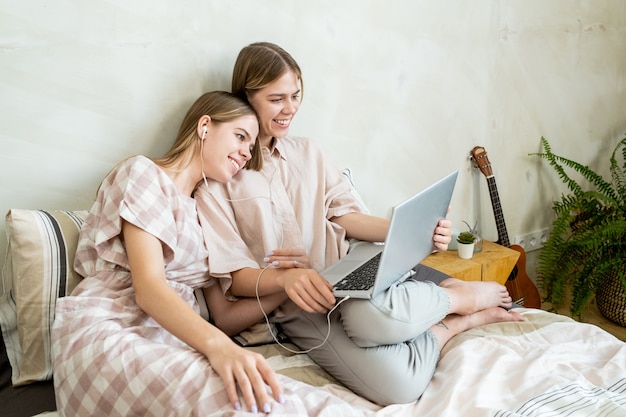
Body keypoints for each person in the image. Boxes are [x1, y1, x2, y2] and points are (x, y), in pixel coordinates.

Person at [195, 43, 526, 406]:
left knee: (369, 316)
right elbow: (235, 275)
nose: (289, 109)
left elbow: (344, 216)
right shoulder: (218, 178)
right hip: (295, 305)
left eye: (295, 96)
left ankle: (458, 295)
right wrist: (286, 281)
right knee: (398, 386)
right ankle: (456, 317)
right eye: (276, 99)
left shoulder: (310, 152)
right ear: (246, 97)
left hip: (345, 273)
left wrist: (413, 232)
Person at [51, 91, 288, 415]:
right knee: (231, 404)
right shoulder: (143, 173)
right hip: (116, 324)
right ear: (205, 126)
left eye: (251, 146)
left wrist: (285, 285)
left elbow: (225, 318)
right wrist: (219, 349)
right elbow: (149, 290)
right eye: (240, 136)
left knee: (271, 399)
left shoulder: (204, 214)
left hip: (178, 338)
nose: (247, 152)